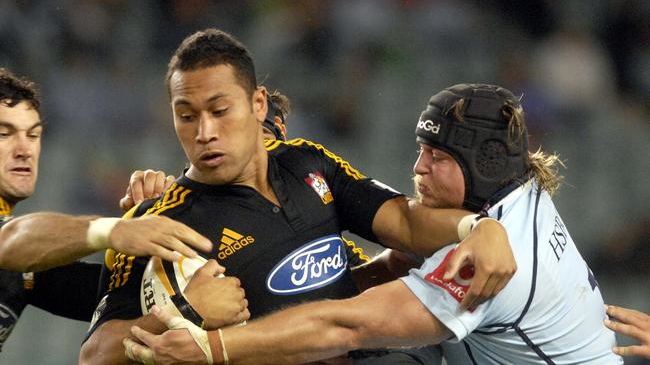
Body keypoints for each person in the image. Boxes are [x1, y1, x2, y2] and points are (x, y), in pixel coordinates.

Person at [79, 29, 516, 365]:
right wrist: (186, 311)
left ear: (257, 105)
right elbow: (95, 354)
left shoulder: (308, 162)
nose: (204, 132)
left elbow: (403, 222)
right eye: (186, 116)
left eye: (219, 110)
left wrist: (478, 227)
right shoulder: (158, 222)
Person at [124, 83, 623, 365]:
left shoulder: (489, 265)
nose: (418, 168)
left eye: (438, 157)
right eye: (419, 150)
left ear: (487, 163)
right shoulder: (517, 195)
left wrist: (212, 348)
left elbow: (346, 324)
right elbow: (386, 273)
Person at [0, 67, 222, 353]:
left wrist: (145, 232)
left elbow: (113, 303)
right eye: (4, 133)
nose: (24, 149)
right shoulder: (14, 247)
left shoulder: (23, 270)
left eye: (33, 135)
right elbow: (9, 239)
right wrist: (116, 230)